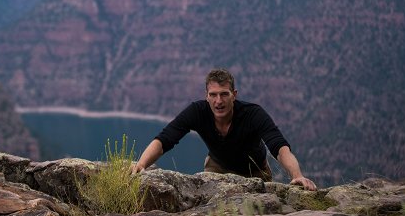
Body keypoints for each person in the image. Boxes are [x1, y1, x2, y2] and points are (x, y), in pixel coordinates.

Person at [131, 68, 317, 191]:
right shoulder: (197, 111)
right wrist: (141, 164)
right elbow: (165, 139)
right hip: (216, 168)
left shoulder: (253, 114)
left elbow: (279, 146)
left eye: (224, 94)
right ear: (206, 96)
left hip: (256, 173)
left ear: (234, 95)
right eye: (213, 95)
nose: (218, 101)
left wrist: (297, 175)